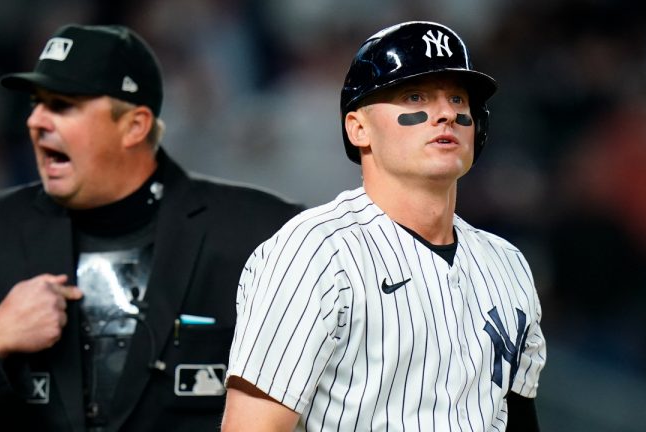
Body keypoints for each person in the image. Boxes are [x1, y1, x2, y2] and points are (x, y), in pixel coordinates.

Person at [222, 21, 546, 431]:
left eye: (458, 99)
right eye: (415, 96)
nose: (446, 113)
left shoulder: (507, 265)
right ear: (358, 128)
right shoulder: (314, 252)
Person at [0, 24, 302, 431]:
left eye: (63, 105)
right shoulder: (2, 229)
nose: (35, 120)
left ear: (135, 126)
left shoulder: (264, 235)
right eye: (37, 104)